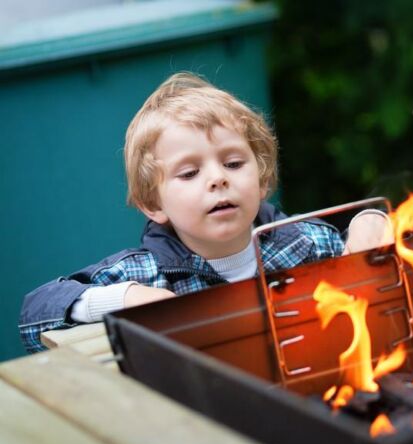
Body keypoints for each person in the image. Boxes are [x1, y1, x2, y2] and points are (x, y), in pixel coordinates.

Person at [19, 72, 348, 353]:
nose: (218, 178)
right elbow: (34, 317)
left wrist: (368, 221)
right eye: (189, 173)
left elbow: (375, 255)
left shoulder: (305, 244)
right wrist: (128, 297)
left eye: (233, 163)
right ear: (154, 204)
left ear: (262, 180)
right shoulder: (146, 273)